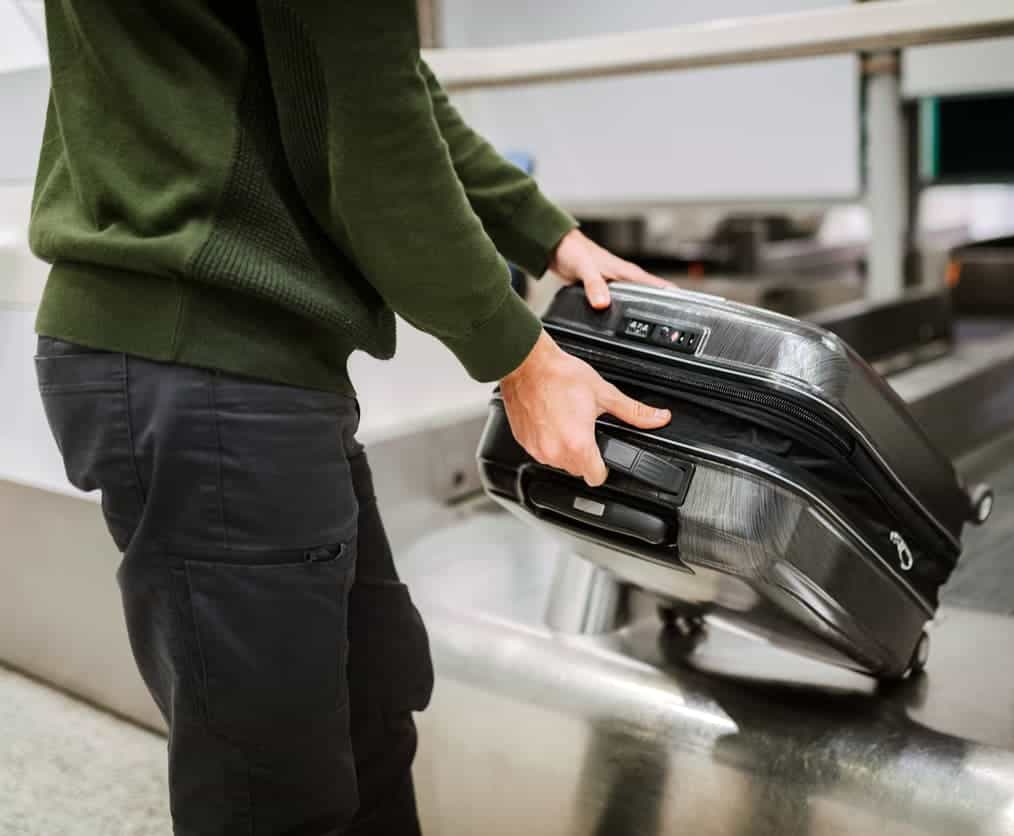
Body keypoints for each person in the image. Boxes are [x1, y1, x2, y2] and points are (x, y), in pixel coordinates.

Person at [30, 2, 671, 833]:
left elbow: (372, 77)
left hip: (225, 361)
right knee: (275, 790)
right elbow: (375, 132)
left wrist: (544, 235)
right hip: (211, 358)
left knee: (366, 710)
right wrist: (519, 358)